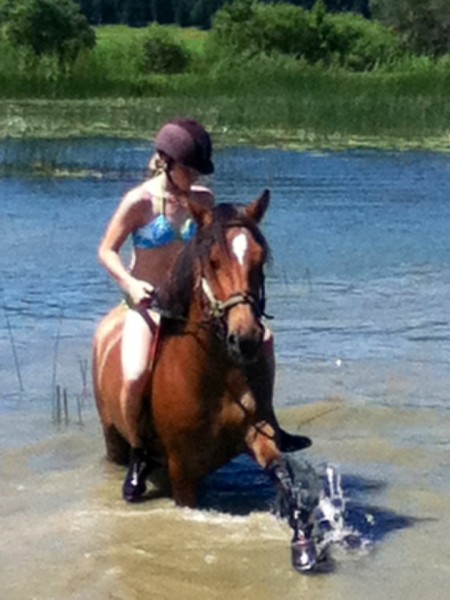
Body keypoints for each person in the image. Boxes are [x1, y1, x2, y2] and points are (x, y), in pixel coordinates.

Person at [98, 118, 215, 502]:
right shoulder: (139, 202)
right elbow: (106, 251)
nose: (194, 174)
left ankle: (264, 425)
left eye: (198, 168)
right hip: (147, 304)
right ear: (165, 161)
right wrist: (131, 285)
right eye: (188, 167)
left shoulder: (204, 201)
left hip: (191, 306)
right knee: (134, 375)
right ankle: (138, 452)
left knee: (259, 339)